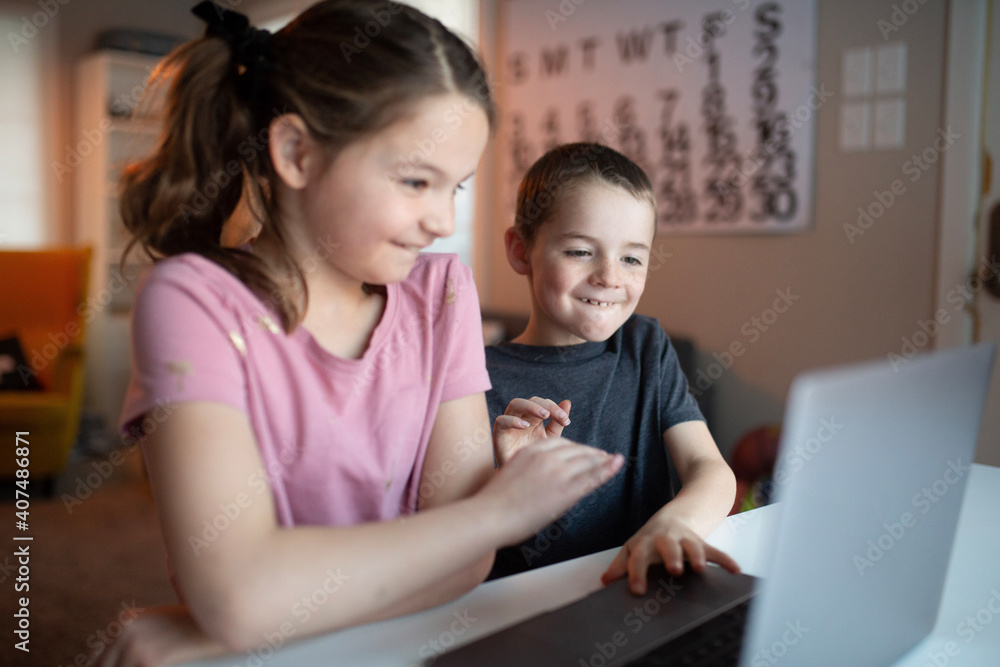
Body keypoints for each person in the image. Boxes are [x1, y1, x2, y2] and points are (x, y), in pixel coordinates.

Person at [92, 4, 624, 665]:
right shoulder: (192, 301)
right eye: (414, 180)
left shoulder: (443, 291)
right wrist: (496, 511)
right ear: (295, 152)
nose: (442, 219)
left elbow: (463, 566)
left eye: (455, 186)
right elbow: (239, 592)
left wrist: (231, 620)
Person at [488, 142, 740, 594]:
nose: (609, 276)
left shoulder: (645, 346)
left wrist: (674, 525)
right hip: (528, 612)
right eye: (581, 251)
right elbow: (461, 539)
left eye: (631, 258)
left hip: (641, 595)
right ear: (521, 251)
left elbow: (709, 467)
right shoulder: (474, 379)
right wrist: (510, 482)